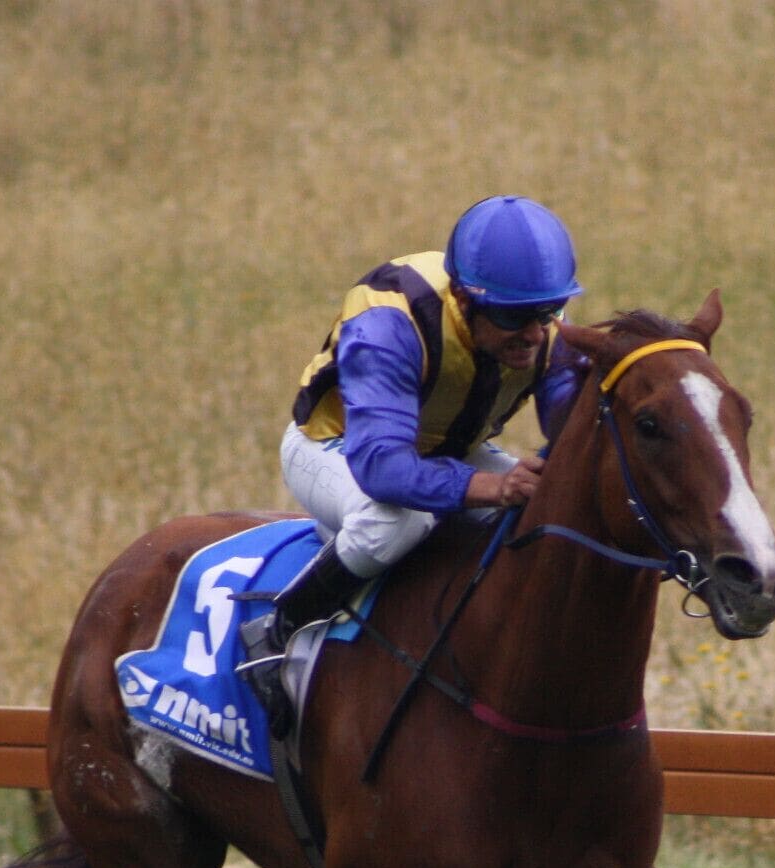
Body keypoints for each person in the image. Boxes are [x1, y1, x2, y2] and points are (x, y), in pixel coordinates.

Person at [239, 195, 591, 729]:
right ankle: (278, 626)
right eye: (516, 317)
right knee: (395, 523)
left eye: (548, 312)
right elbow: (383, 468)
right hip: (343, 446)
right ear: (467, 302)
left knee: (545, 514)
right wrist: (493, 489)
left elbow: (568, 422)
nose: (536, 333)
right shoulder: (389, 319)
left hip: (447, 446)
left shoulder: (540, 318)